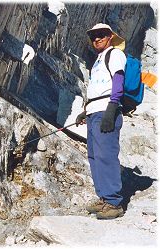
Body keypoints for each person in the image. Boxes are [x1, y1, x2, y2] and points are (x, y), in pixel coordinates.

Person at [76, 23, 126, 219]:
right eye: (93, 36)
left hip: (107, 110)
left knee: (106, 155)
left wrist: (112, 107)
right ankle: (104, 198)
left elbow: (118, 80)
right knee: (95, 156)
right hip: (94, 111)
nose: (96, 39)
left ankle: (114, 203)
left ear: (110, 37)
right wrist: (85, 111)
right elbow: (97, 88)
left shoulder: (115, 54)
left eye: (101, 35)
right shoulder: (98, 60)